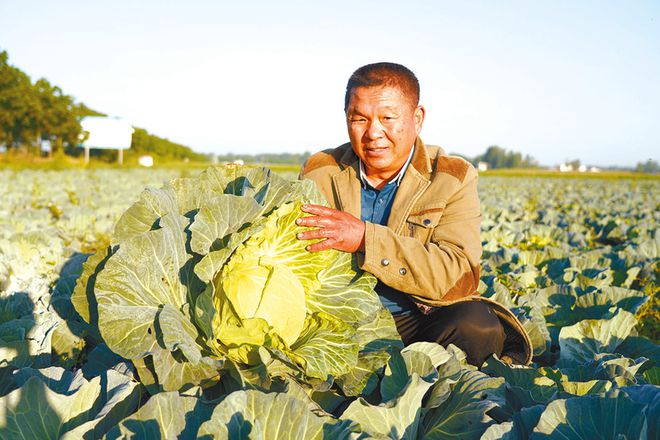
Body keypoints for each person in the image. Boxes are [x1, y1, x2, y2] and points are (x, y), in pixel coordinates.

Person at [297, 62, 531, 367]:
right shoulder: (321, 172)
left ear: (417, 118)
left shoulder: (452, 177)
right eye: (359, 119)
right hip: (337, 320)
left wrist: (366, 239)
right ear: (346, 119)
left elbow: (459, 274)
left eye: (388, 118)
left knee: (477, 324)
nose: (373, 132)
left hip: (416, 321)